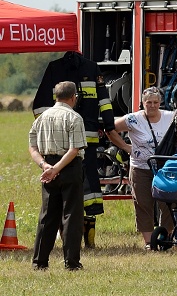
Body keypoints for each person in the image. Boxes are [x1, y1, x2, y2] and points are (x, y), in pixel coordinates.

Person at [33, 51, 117, 248]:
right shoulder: (91, 67)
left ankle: (66, 237)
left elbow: (39, 104)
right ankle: (89, 234)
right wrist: (108, 125)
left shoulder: (55, 68)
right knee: (88, 187)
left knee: (62, 192)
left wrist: (48, 129)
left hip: (59, 145)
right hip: (87, 140)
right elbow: (104, 100)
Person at [28, 81, 87, 271]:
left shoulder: (42, 117)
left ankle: (39, 262)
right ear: (73, 97)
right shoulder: (74, 117)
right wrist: (58, 168)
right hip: (68, 167)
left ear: (56, 97)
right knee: (71, 214)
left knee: (47, 216)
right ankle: (71, 263)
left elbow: (32, 146)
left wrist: (45, 165)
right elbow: (74, 149)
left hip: (48, 166)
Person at [110, 86, 176, 248]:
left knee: (167, 203)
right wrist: (126, 147)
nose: (152, 105)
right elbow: (110, 129)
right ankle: (149, 242)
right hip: (140, 168)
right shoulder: (133, 119)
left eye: (155, 102)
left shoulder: (171, 117)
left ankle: (165, 238)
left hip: (165, 168)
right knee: (143, 203)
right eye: (148, 102)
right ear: (142, 103)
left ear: (160, 102)